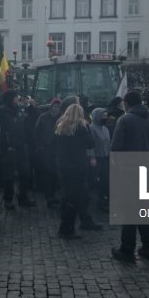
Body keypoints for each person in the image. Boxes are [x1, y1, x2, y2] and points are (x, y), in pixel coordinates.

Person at [111, 91, 149, 263]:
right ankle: (148, 246)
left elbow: (115, 147)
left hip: (128, 170)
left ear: (127, 103)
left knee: (129, 209)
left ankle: (127, 249)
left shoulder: (124, 120)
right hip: (147, 169)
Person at [55, 101, 101, 238]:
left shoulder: (61, 126)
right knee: (76, 197)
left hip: (63, 166)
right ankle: (67, 229)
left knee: (67, 196)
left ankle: (67, 226)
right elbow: (90, 143)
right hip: (77, 167)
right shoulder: (81, 127)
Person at [33, 98, 62, 208]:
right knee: (48, 173)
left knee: (55, 173)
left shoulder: (61, 119)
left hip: (58, 150)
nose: (56, 108)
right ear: (51, 107)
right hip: (46, 149)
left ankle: (53, 195)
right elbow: (36, 132)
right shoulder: (43, 117)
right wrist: (39, 146)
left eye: (58, 107)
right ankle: (49, 197)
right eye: (54, 106)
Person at [89, 107, 111, 212]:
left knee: (105, 181)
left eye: (106, 116)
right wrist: (92, 157)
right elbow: (90, 145)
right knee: (96, 181)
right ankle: (96, 202)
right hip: (96, 158)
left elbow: (108, 143)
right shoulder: (91, 128)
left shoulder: (105, 129)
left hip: (105, 158)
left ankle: (103, 200)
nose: (105, 118)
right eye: (103, 116)